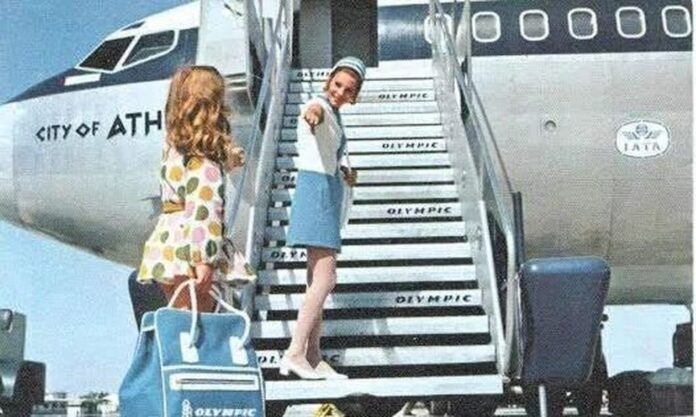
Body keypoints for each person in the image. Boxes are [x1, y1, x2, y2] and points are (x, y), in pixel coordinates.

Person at [280, 57, 365, 380]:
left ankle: (313, 355)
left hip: (325, 190)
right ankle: (295, 352)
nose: (340, 92)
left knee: (316, 280)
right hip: (316, 193)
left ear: (355, 95)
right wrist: (313, 115)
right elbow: (312, 113)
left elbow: (327, 148)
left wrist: (345, 172)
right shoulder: (318, 105)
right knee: (327, 280)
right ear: (328, 81)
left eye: (348, 89)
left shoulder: (336, 114)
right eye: (337, 84)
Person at [136, 65, 245, 312]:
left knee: (181, 319)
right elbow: (204, 209)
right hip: (193, 245)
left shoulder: (173, 150)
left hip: (169, 243)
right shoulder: (204, 163)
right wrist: (203, 259)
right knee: (199, 322)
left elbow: (184, 186)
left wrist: (225, 161)